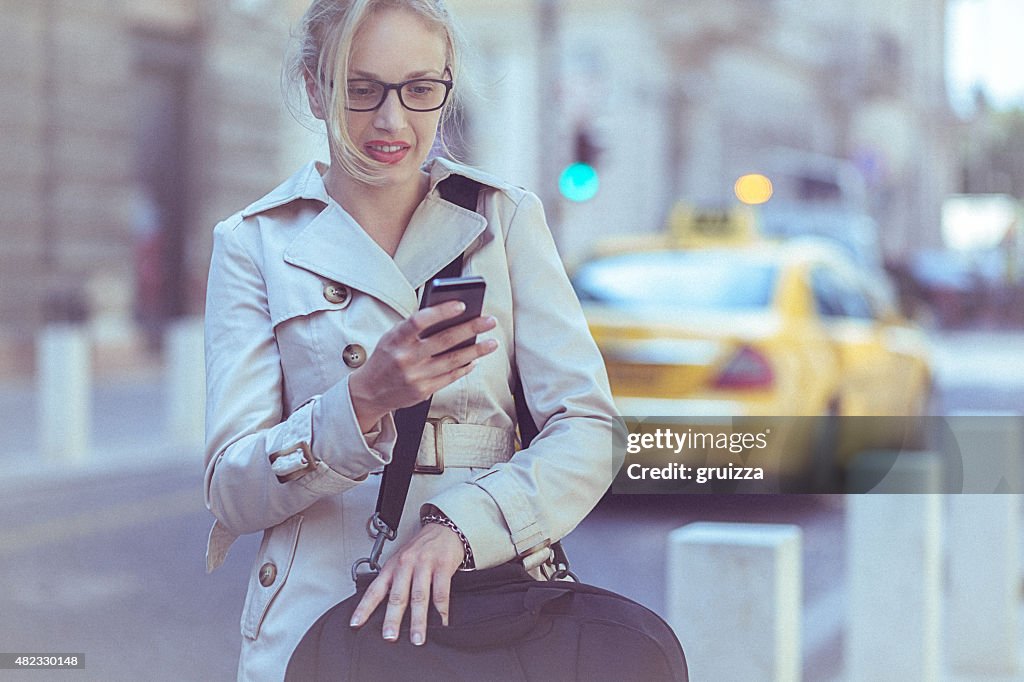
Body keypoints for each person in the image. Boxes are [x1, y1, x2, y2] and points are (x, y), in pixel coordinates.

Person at [202, 0, 618, 679]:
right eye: (361, 90)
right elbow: (232, 492)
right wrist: (364, 398)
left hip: (489, 601)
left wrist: (460, 527)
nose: (393, 122)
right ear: (314, 87)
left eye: (421, 90)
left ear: (446, 85)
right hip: (320, 615)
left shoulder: (502, 220)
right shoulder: (254, 242)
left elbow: (589, 429)